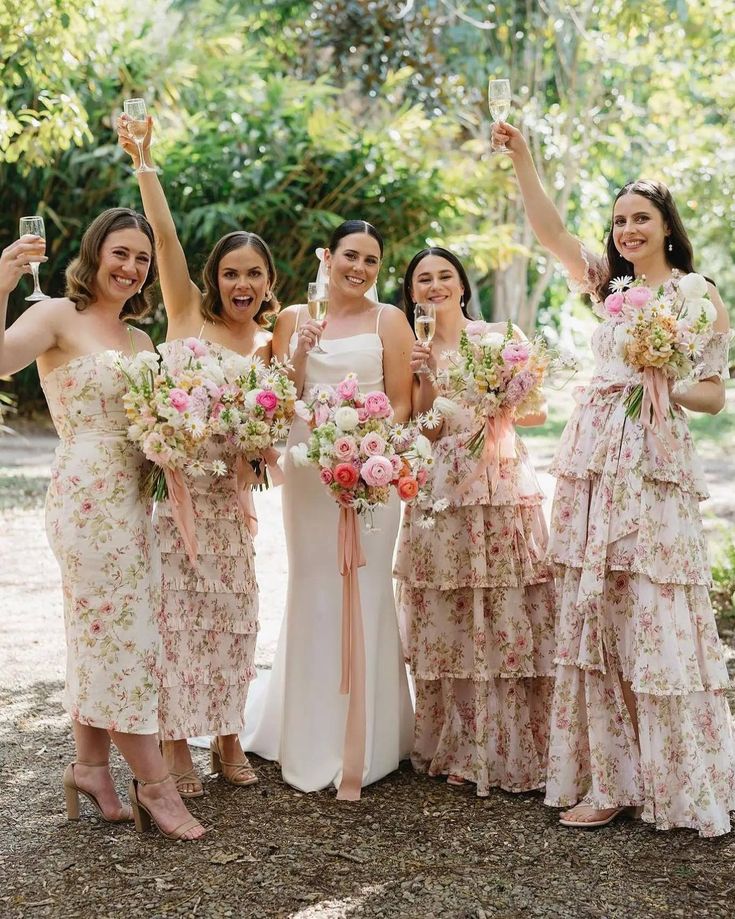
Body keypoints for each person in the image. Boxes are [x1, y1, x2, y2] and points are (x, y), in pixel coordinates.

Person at [491, 119, 735, 835]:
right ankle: (607, 778)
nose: (627, 229)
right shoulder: (608, 288)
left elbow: (712, 395)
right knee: (593, 606)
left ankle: (672, 779)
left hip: (654, 463)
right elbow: (548, 233)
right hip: (593, 457)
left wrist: (663, 375)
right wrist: (522, 157)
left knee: (651, 607)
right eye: (619, 220)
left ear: (666, 226)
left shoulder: (697, 294)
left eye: (640, 218)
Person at [0, 209, 204, 839]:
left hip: (134, 496)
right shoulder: (57, 314)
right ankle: (155, 785)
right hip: (86, 495)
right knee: (121, 636)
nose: (132, 267)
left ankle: (91, 766)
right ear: (94, 255)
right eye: (121, 253)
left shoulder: (141, 343)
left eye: (141, 258)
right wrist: (2, 282)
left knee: (106, 629)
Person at [117, 115, 275, 797]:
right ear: (215, 278)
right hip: (172, 499)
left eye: (254, 274)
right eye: (231, 272)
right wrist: (145, 162)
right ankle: (177, 745)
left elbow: (273, 428)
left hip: (227, 505)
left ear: (269, 283)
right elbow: (167, 235)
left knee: (235, 618)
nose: (240, 282)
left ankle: (230, 737)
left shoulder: (269, 344)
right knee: (174, 623)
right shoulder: (186, 313)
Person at [244, 220, 414, 797]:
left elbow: (400, 399)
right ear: (328, 257)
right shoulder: (292, 317)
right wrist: (297, 353)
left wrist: (369, 444)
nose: (360, 269)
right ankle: (305, 731)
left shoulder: (388, 318)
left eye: (371, 259)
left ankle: (370, 739)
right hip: (307, 474)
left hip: (371, 472)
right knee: (314, 583)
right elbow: (276, 395)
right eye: (351, 256)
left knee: (364, 588)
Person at [394, 246, 556, 796]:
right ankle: (458, 744)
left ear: (461, 284)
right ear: (413, 293)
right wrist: (428, 379)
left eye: (444, 276)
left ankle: (510, 746)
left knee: (505, 607)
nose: (435, 286)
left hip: (499, 485)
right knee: (451, 612)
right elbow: (429, 430)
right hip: (443, 488)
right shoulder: (415, 350)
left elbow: (537, 411)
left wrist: (492, 400)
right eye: (423, 280)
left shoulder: (499, 336)